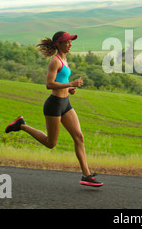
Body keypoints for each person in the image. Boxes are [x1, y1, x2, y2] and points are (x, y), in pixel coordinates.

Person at [5, 31, 103, 187]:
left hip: (66, 103)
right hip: (54, 105)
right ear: (59, 44)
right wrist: (70, 84)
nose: (70, 44)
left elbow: (61, 79)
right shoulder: (55, 61)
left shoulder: (65, 59)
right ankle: (21, 125)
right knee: (51, 143)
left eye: (71, 41)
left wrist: (69, 88)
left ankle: (87, 176)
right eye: (67, 42)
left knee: (79, 137)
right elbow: (49, 84)